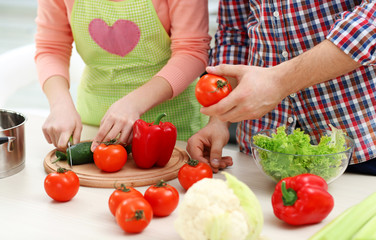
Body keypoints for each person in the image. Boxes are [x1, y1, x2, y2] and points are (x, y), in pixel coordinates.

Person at [186, 0, 376, 174]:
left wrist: (279, 82)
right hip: (264, 151)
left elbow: (371, 21)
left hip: (361, 142)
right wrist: (219, 120)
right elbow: (235, 33)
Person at [35, 0, 211, 151]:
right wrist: (60, 104)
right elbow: (51, 48)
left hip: (171, 125)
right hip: (94, 122)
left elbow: (191, 51)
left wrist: (133, 103)